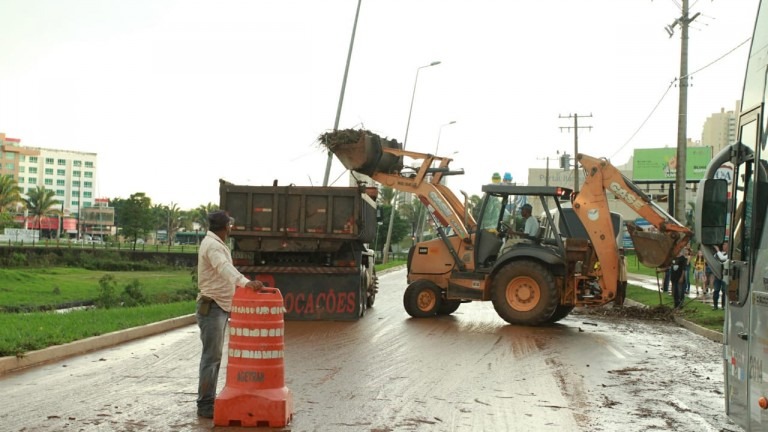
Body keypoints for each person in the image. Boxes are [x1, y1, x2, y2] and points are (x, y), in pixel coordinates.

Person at [196, 210, 264, 419]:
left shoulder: (215, 243)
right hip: (213, 306)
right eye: (230, 225)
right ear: (226, 227)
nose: (231, 228)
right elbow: (224, 268)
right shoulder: (214, 246)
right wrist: (246, 283)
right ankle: (205, 404)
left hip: (220, 306)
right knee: (212, 357)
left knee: (214, 356)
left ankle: (209, 400)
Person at [712, 241, 729, 311]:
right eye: (724, 244)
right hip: (717, 275)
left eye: (726, 244)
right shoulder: (717, 254)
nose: (724, 246)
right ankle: (715, 305)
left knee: (724, 291)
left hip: (725, 275)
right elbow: (713, 260)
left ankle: (723, 306)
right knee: (716, 290)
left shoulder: (729, 254)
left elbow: (723, 258)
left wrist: (718, 250)